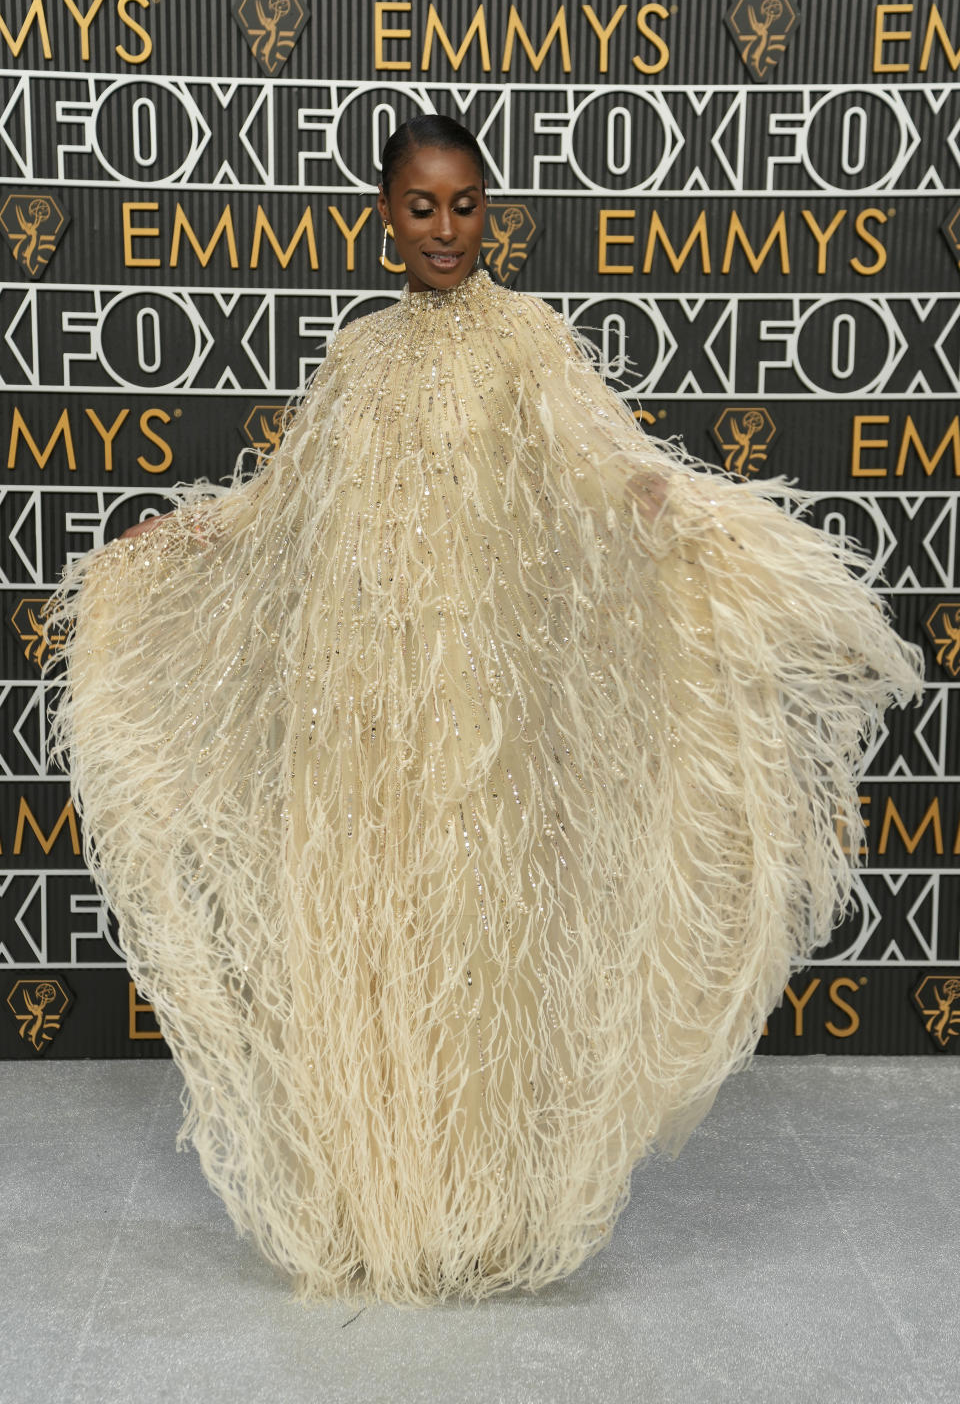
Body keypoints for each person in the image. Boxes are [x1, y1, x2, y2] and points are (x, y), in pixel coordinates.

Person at [39, 114, 924, 1309]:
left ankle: (479, 1203)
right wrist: (191, 535)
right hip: (357, 707)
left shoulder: (528, 343)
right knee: (373, 936)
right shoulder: (356, 358)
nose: (444, 230)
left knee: (473, 938)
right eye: (420, 206)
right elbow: (286, 503)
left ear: (490, 211)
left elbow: (596, 455)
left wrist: (656, 499)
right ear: (382, 216)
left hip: (480, 719)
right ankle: (380, 1197)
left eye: (465, 206)